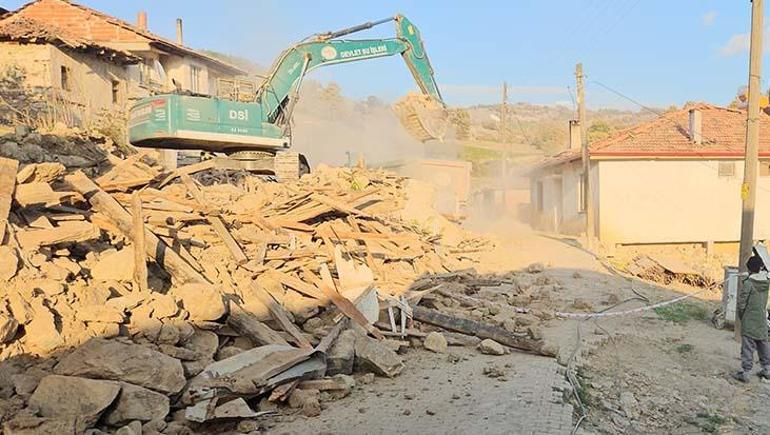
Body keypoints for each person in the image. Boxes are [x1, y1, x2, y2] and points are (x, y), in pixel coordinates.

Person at [732, 255, 770, 383]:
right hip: (762, 319)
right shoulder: (766, 282)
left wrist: (742, 316)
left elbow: (742, 304)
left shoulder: (749, 283)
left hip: (749, 319)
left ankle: (746, 372)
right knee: (763, 345)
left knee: (747, 347)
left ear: (749, 269)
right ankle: (767, 369)